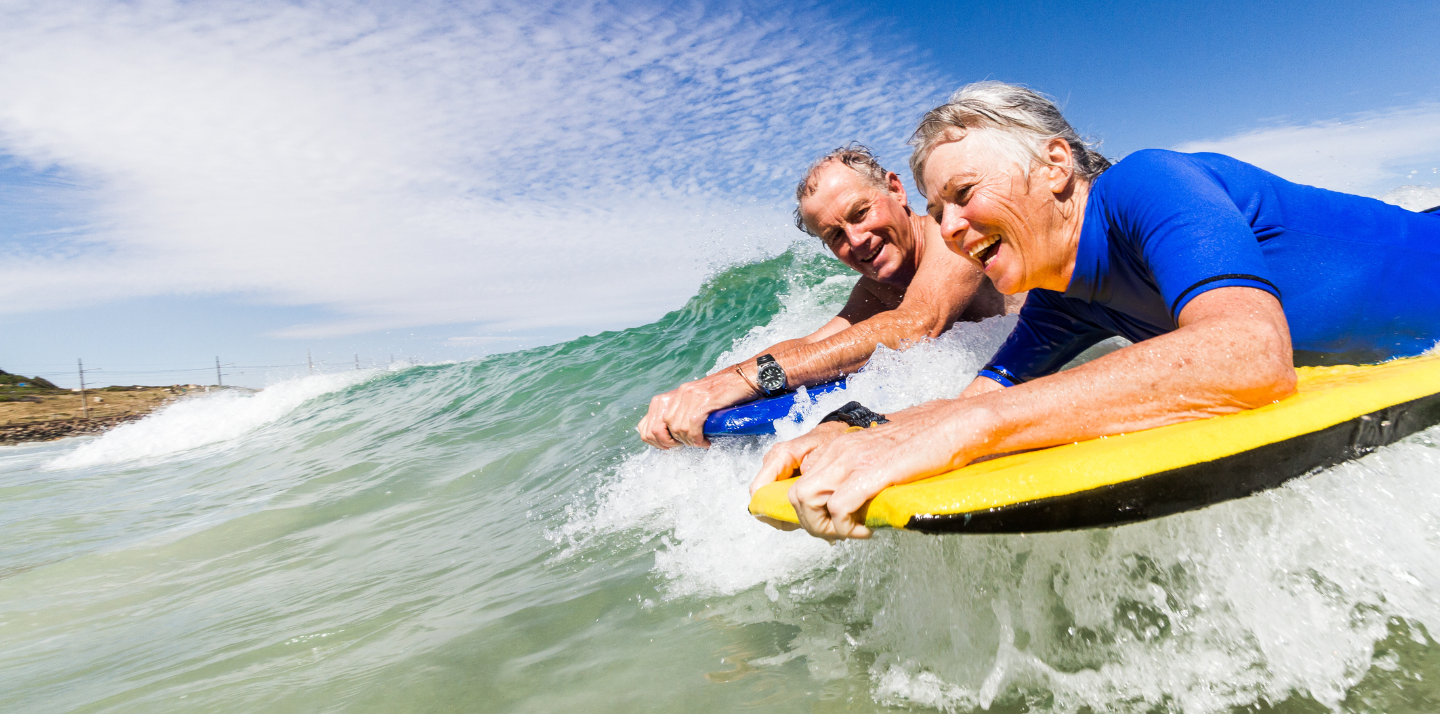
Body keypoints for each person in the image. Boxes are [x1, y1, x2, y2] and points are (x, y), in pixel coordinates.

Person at [752, 81, 1440, 540]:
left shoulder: (1147, 183)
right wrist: (856, 431)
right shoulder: (1063, 301)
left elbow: (1250, 355)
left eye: (964, 193)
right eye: (938, 213)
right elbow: (974, 401)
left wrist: (975, 425)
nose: (953, 227)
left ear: (1055, 165)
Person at [638, 145, 1017, 449]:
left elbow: (916, 323)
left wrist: (750, 380)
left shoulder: (949, 234)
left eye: (860, 213)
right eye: (835, 236)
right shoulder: (875, 289)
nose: (856, 240)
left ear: (896, 190)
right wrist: (703, 389)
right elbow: (810, 344)